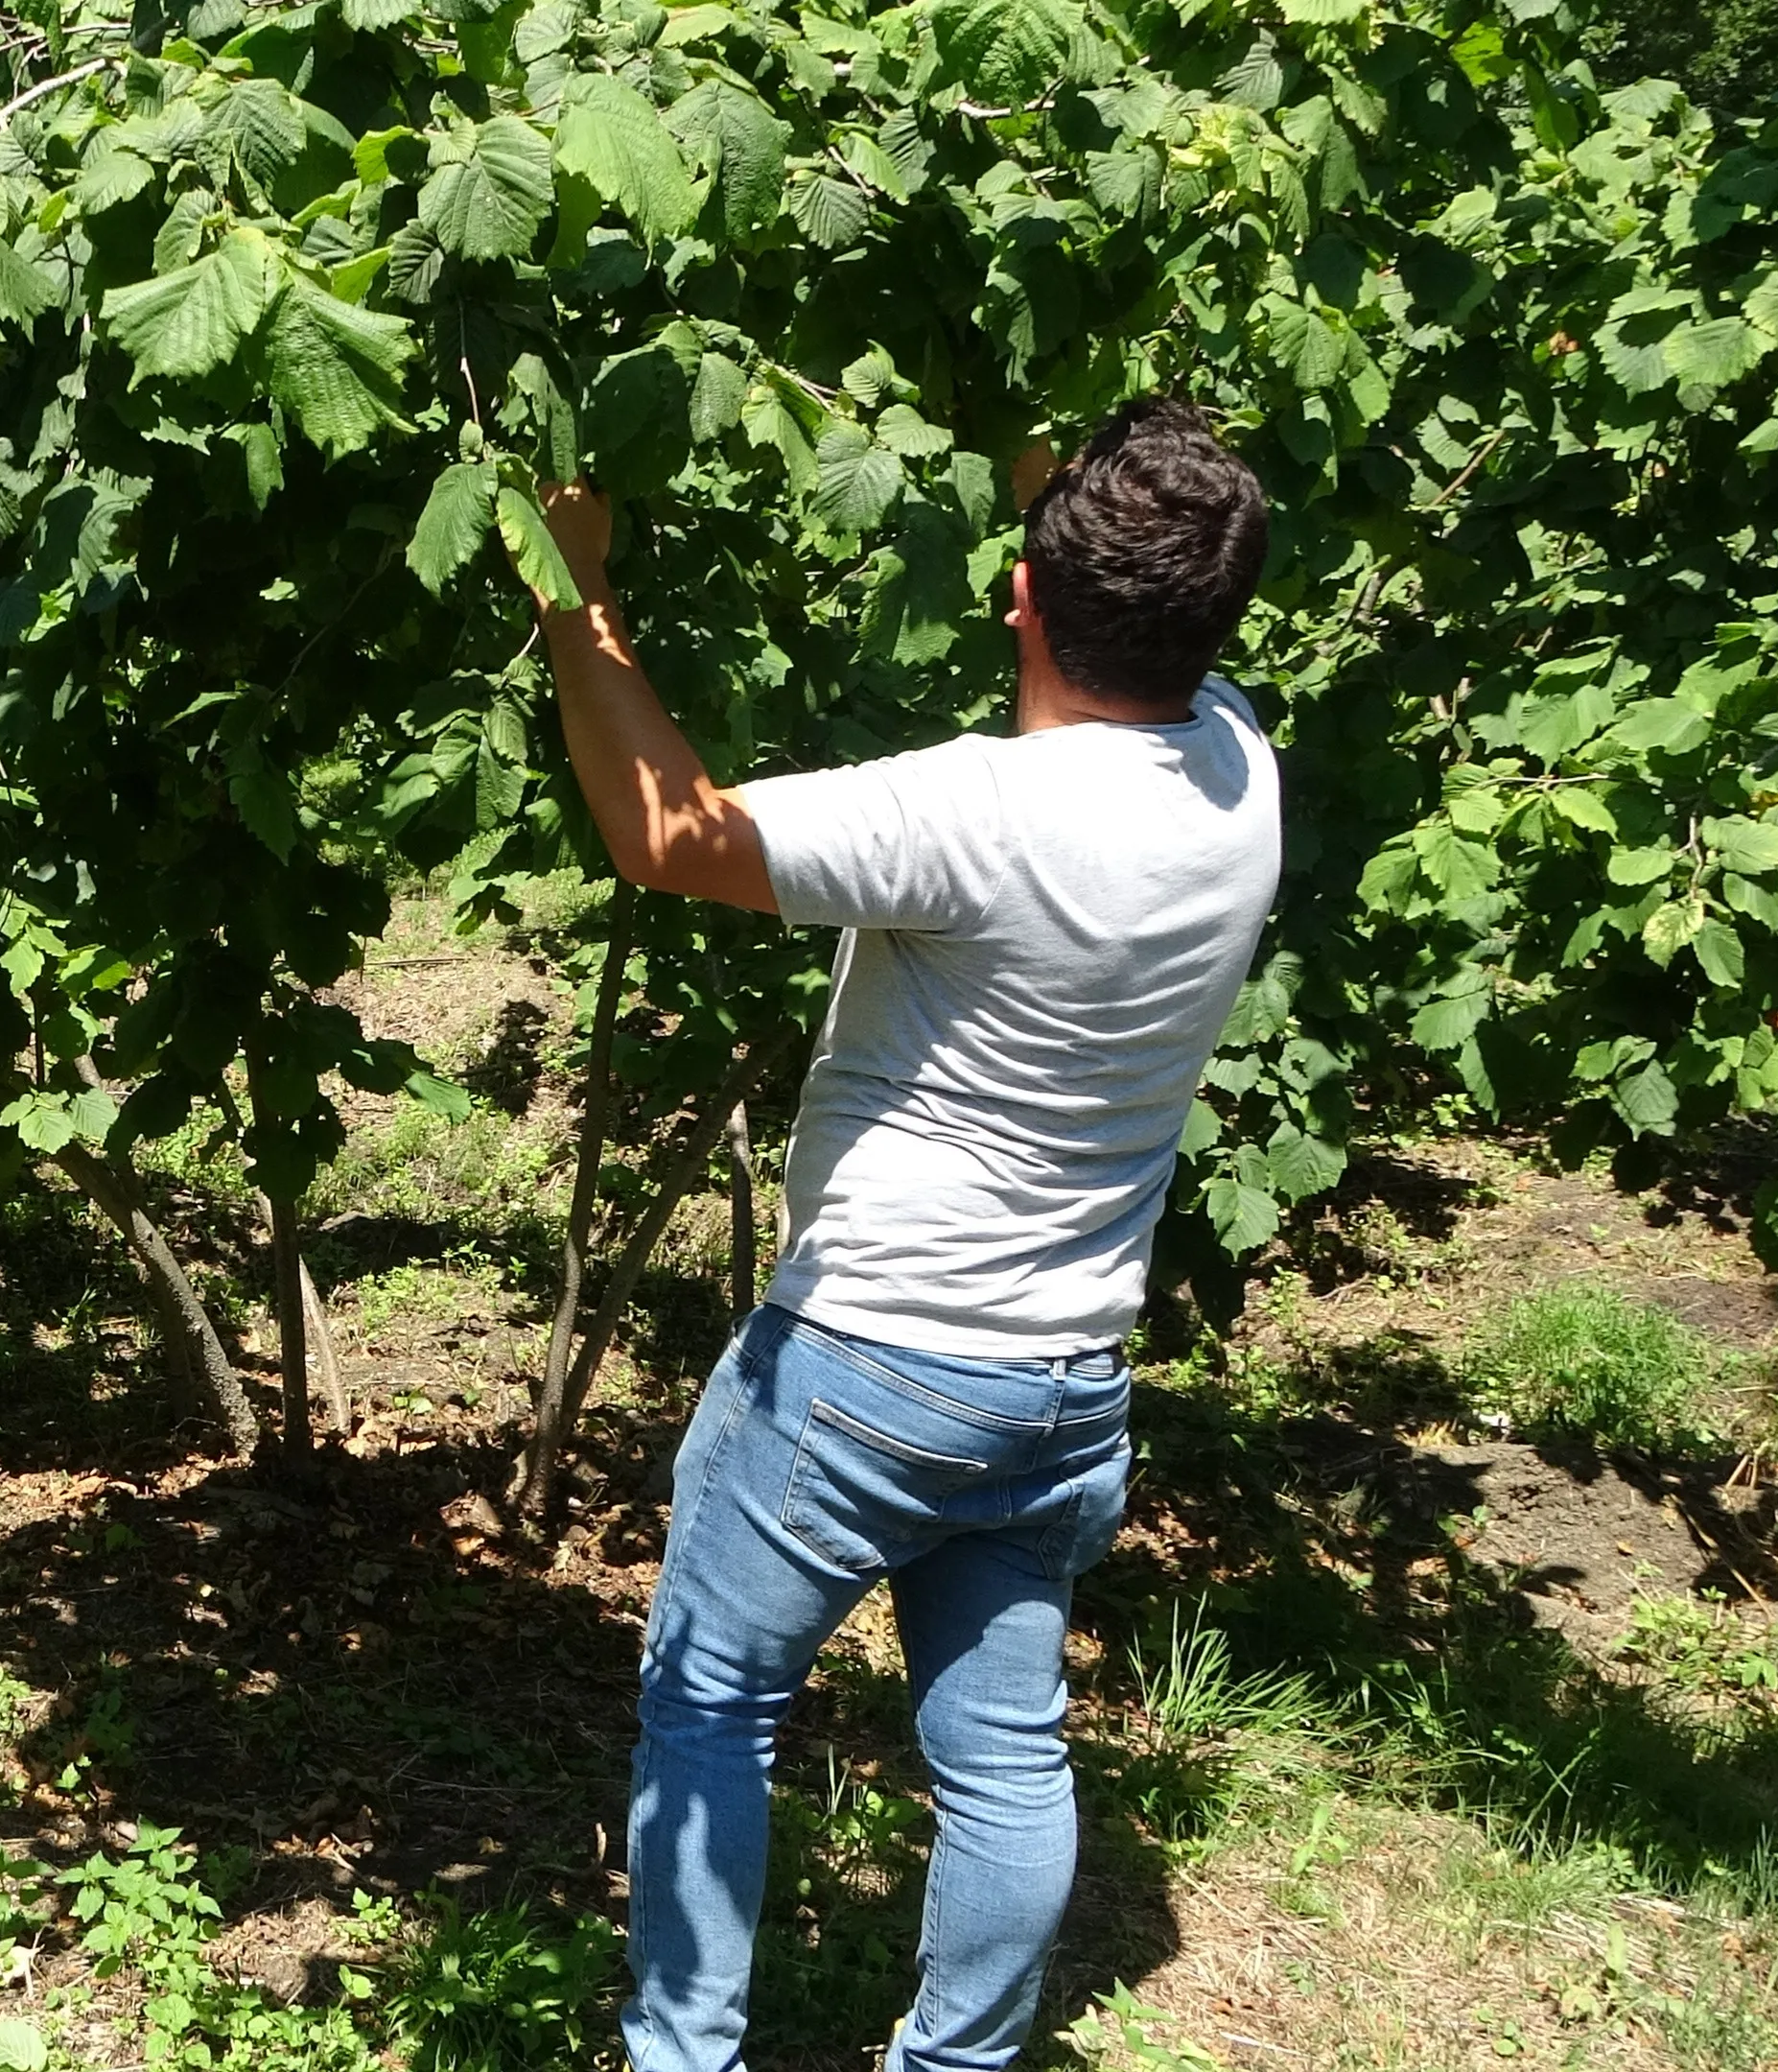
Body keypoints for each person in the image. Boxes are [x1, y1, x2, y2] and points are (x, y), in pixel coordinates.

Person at [527, 398, 1282, 2072]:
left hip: (869, 1366)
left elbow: (670, 835)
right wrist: (1065, 480)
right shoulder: (1241, 773)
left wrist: (571, 591)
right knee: (1007, 1751)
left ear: (1022, 593)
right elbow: (1121, 589)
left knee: (713, 1701)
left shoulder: (977, 816)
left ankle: (683, 2056)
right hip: (1063, 1384)